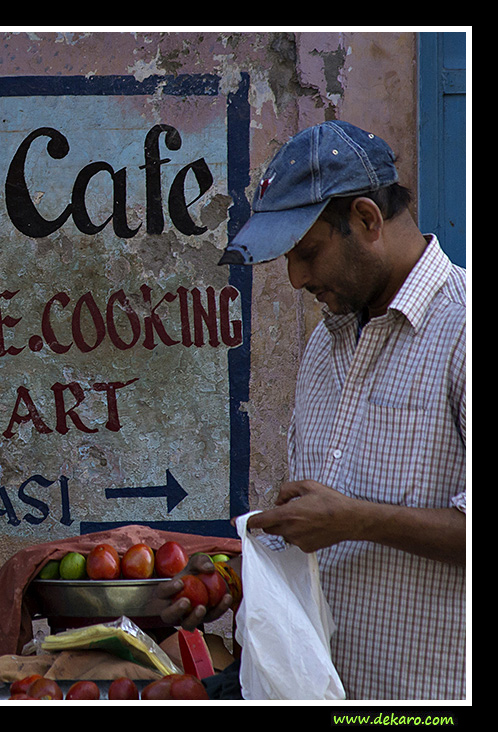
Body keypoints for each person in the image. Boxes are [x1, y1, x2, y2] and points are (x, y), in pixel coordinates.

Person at [219, 120, 466, 700]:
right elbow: (320, 526)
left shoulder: (462, 331)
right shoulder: (323, 345)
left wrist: (355, 519)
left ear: (366, 220)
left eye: (308, 252)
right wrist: (234, 576)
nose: (296, 277)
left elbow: (343, 519)